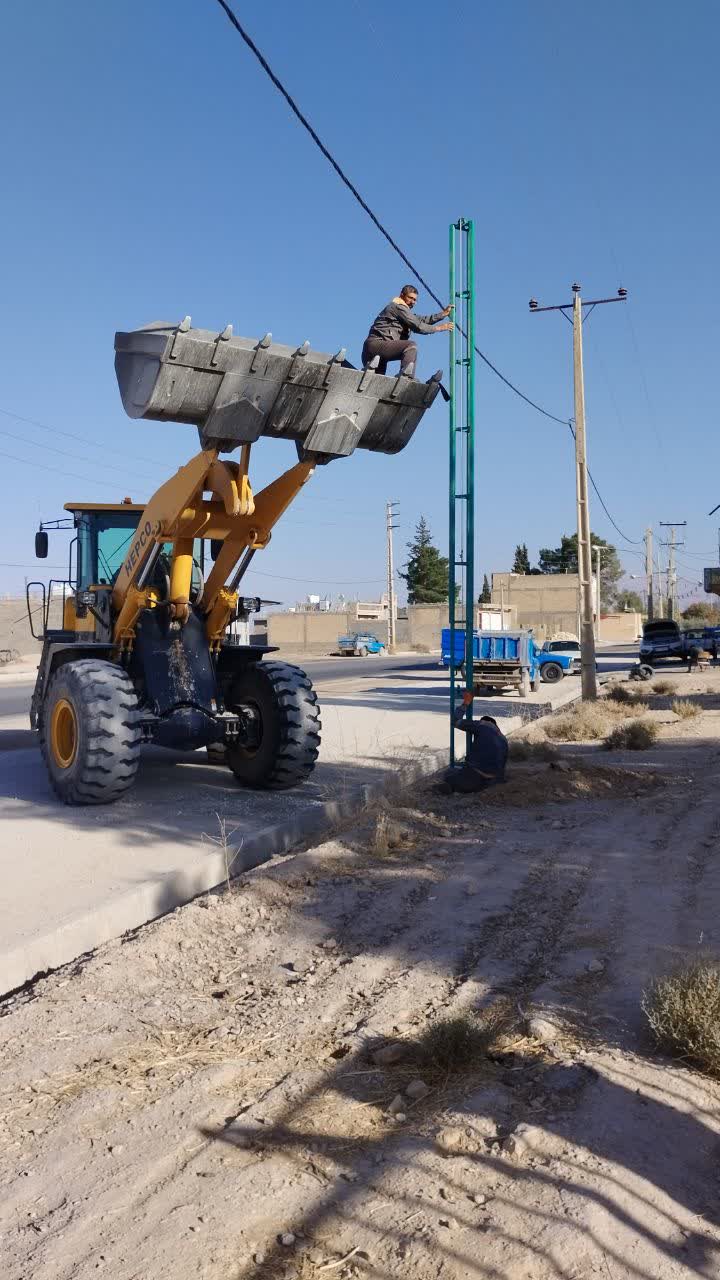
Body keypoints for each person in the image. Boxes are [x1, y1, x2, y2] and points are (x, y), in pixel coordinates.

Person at [361, 284, 453, 378]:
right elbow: (418, 326)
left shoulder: (403, 312)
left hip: (377, 351)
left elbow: (421, 320)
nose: (413, 302)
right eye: (410, 298)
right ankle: (407, 377)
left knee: (377, 380)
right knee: (410, 346)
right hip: (376, 345)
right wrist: (439, 328)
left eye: (415, 300)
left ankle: (403, 379)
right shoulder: (397, 307)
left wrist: (442, 314)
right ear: (402, 295)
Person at [439, 691, 508, 795]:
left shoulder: (483, 725)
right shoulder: (503, 740)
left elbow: (455, 721)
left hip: (474, 776)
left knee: (448, 774)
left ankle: (451, 787)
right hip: (493, 781)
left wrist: (466, 703)